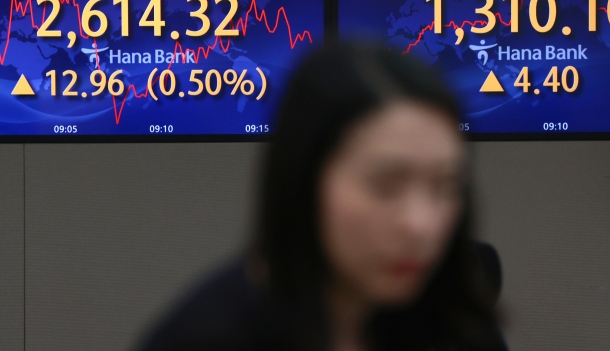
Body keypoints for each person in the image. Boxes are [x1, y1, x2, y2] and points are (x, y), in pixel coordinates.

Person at [138, 43, 507, 351]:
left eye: (445, 187)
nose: (421, 224)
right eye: (386, 186)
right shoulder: (206, 338)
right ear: (305, 176)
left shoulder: (462, 331)